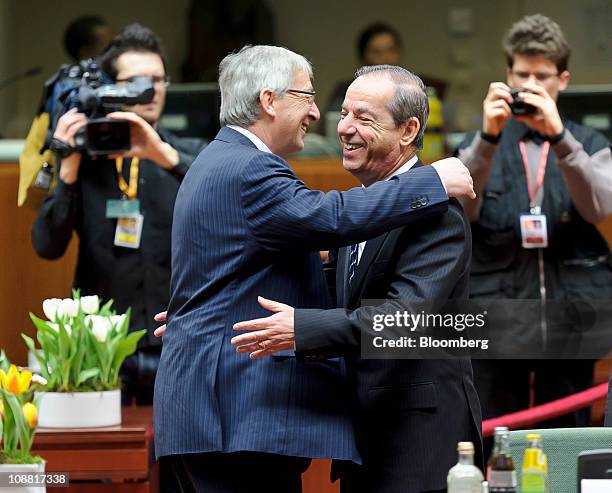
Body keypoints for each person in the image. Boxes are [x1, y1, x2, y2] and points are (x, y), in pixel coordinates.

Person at [153, 45, 475, 493]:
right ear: (269, 100)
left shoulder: (433, 214)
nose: (340, 127)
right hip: (273, 429)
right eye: (336, 110)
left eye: (364, 118)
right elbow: (332, 221)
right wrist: (210, 317)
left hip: (413, 447)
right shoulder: (256, 169)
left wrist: (217, 317)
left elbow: (403, 321)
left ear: (409, 131)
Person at [455, 14, 612, 437]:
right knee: (493, 437)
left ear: (563, 80)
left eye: (542, 76)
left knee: (565, 442)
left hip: (570, 323)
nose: (531, 85)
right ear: (507, 76)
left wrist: (560, 139)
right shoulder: (479, 142)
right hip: (496, 319)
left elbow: (599, 206)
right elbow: (460, 210)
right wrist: (486, 140)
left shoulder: (590, 143)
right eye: (521, 74)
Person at [31, 23, 205, 405]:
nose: (148, 90)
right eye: (135, 81)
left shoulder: (190, 154)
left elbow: (231, 197)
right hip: (103, 352)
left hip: (181, 347)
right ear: (107, 88)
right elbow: (46, 245)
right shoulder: (85, 163)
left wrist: (163, 156)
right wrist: (68, 170)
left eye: (158, 80)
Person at [324, 22, 448, 133]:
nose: (386, 58)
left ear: (400, 52)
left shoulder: (416, 89)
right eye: (377, 52)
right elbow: (329, 130)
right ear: (363, 57)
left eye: (391, 50)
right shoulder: (348, 91)